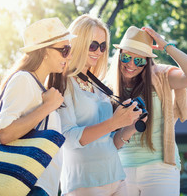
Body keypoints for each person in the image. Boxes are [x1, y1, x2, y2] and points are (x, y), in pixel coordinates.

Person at [106, 26, 187, 196]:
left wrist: (166, 46)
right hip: (121, 168)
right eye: (127, 57)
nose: (131, 64)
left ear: (147, 61)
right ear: (119, 55)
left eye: (139, 60)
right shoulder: (108, 87)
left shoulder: (162, 77)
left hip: (160, 169)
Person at [52, 14, 142, 196]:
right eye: (92, 45)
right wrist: (114, 123)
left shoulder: (99, 86)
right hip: (84, 182)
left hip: (116, 176)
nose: (98, 52)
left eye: (102, 46)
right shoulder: (62, 83)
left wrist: (129, 127)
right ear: (77, 43)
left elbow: (108, 142)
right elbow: (67, 139)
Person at [0, 17, 76, 196]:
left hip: (41, 187)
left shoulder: (39, 85)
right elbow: (4, 134)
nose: (69, 56)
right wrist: (47, 107)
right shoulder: (23, 80)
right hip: (31, 187)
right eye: (64, 50)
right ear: (45, 51)